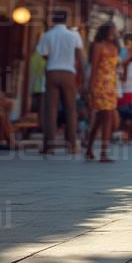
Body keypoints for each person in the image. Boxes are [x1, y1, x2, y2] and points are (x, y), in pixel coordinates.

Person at [36, 10, 84, 155]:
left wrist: (53, 60)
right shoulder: (74, 35)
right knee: (70, 109)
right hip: (68, 72)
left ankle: (48, 145)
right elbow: (79, 55)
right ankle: (71, 145)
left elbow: (43, 53)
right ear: (66, 20)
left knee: (51, 110)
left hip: (52, 71)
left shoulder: (47, 35)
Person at [85, 23, 120, 163]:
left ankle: (89, 148)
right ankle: (104, 153)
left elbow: (115, 68)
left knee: (100, 118)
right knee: (107, 116)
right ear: (106, 31)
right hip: (100, 84)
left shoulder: (115, 47)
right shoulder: (98, 46)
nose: (114, 33)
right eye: (112, 30)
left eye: (115, 30)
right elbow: (94, 67)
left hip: (111, 85)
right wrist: (90, 87)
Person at [116, 36, 132, 143]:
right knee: (125, 116)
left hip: (130, 92)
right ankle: (126, 135)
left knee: (130, 116)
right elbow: (122, 78)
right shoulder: (123, 64)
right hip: (123, 92)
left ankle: (131, 135)